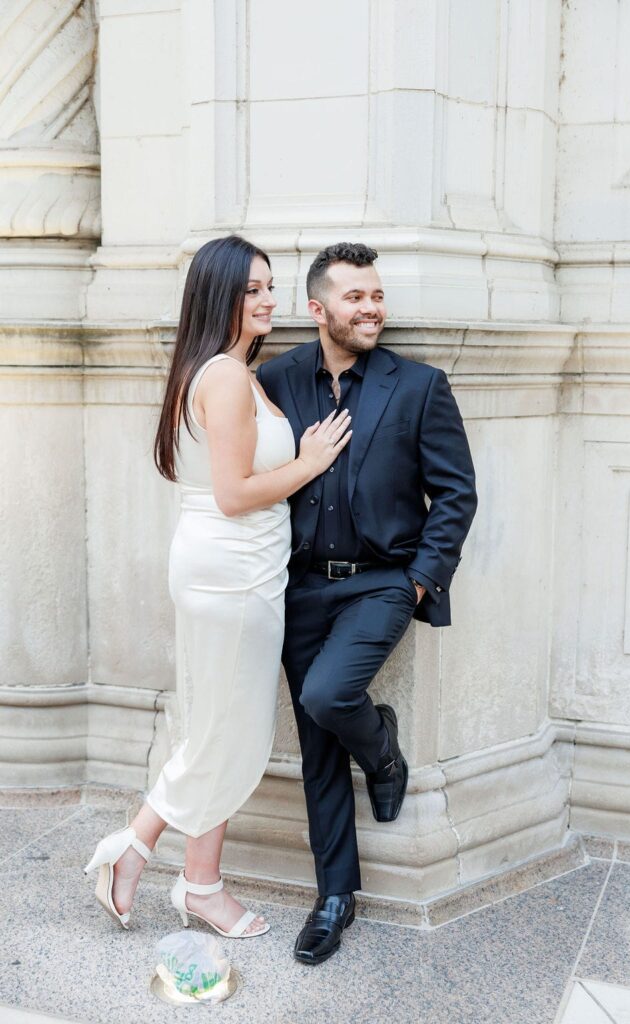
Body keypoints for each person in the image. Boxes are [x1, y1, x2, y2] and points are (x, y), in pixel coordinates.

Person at [84, 235, 351, 938]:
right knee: (224, 736)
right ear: (219, 296)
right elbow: (235, 494)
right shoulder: (227, 377)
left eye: (270, 286)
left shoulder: (220, 369)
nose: (268, 300)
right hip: (231, 571)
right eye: (252, 289)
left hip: (231, 568)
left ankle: (199, 882)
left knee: (221, 729)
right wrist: (313, 459)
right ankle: (134, 850)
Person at [257, 242, 477, 964]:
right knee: (318, 746)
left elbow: (454, 494)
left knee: (328, 695)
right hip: (297, 584)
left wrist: (418, 578)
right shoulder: (274, 380)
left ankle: (382, 753)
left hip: (382, 579)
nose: (372, 308)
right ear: (317, 309)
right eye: (356, 297)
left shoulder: (417, 386)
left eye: (376, 295)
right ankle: (334, 898)